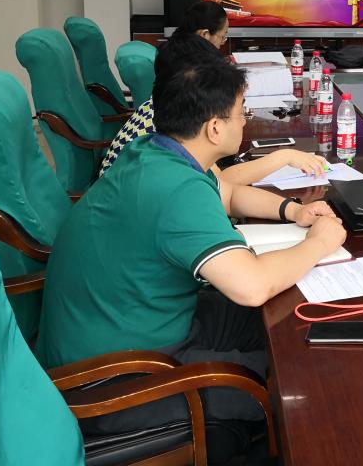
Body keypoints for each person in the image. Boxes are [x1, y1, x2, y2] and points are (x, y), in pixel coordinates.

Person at [36, 52, 346, 431]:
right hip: (113, 379)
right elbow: (251, 286)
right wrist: (320, 243)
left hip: (139, 326)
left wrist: (294, 211)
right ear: (214, 128)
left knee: (291, 325)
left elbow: (228, 193)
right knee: (296, 380)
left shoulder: (155, 152)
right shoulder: (177, 188)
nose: (244, 121)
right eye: (241, 113)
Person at [100, 0, 326, 182]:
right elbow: (221, 184)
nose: (243, 119)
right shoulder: (179, 124)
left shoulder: (171, 98)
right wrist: (282, 157)